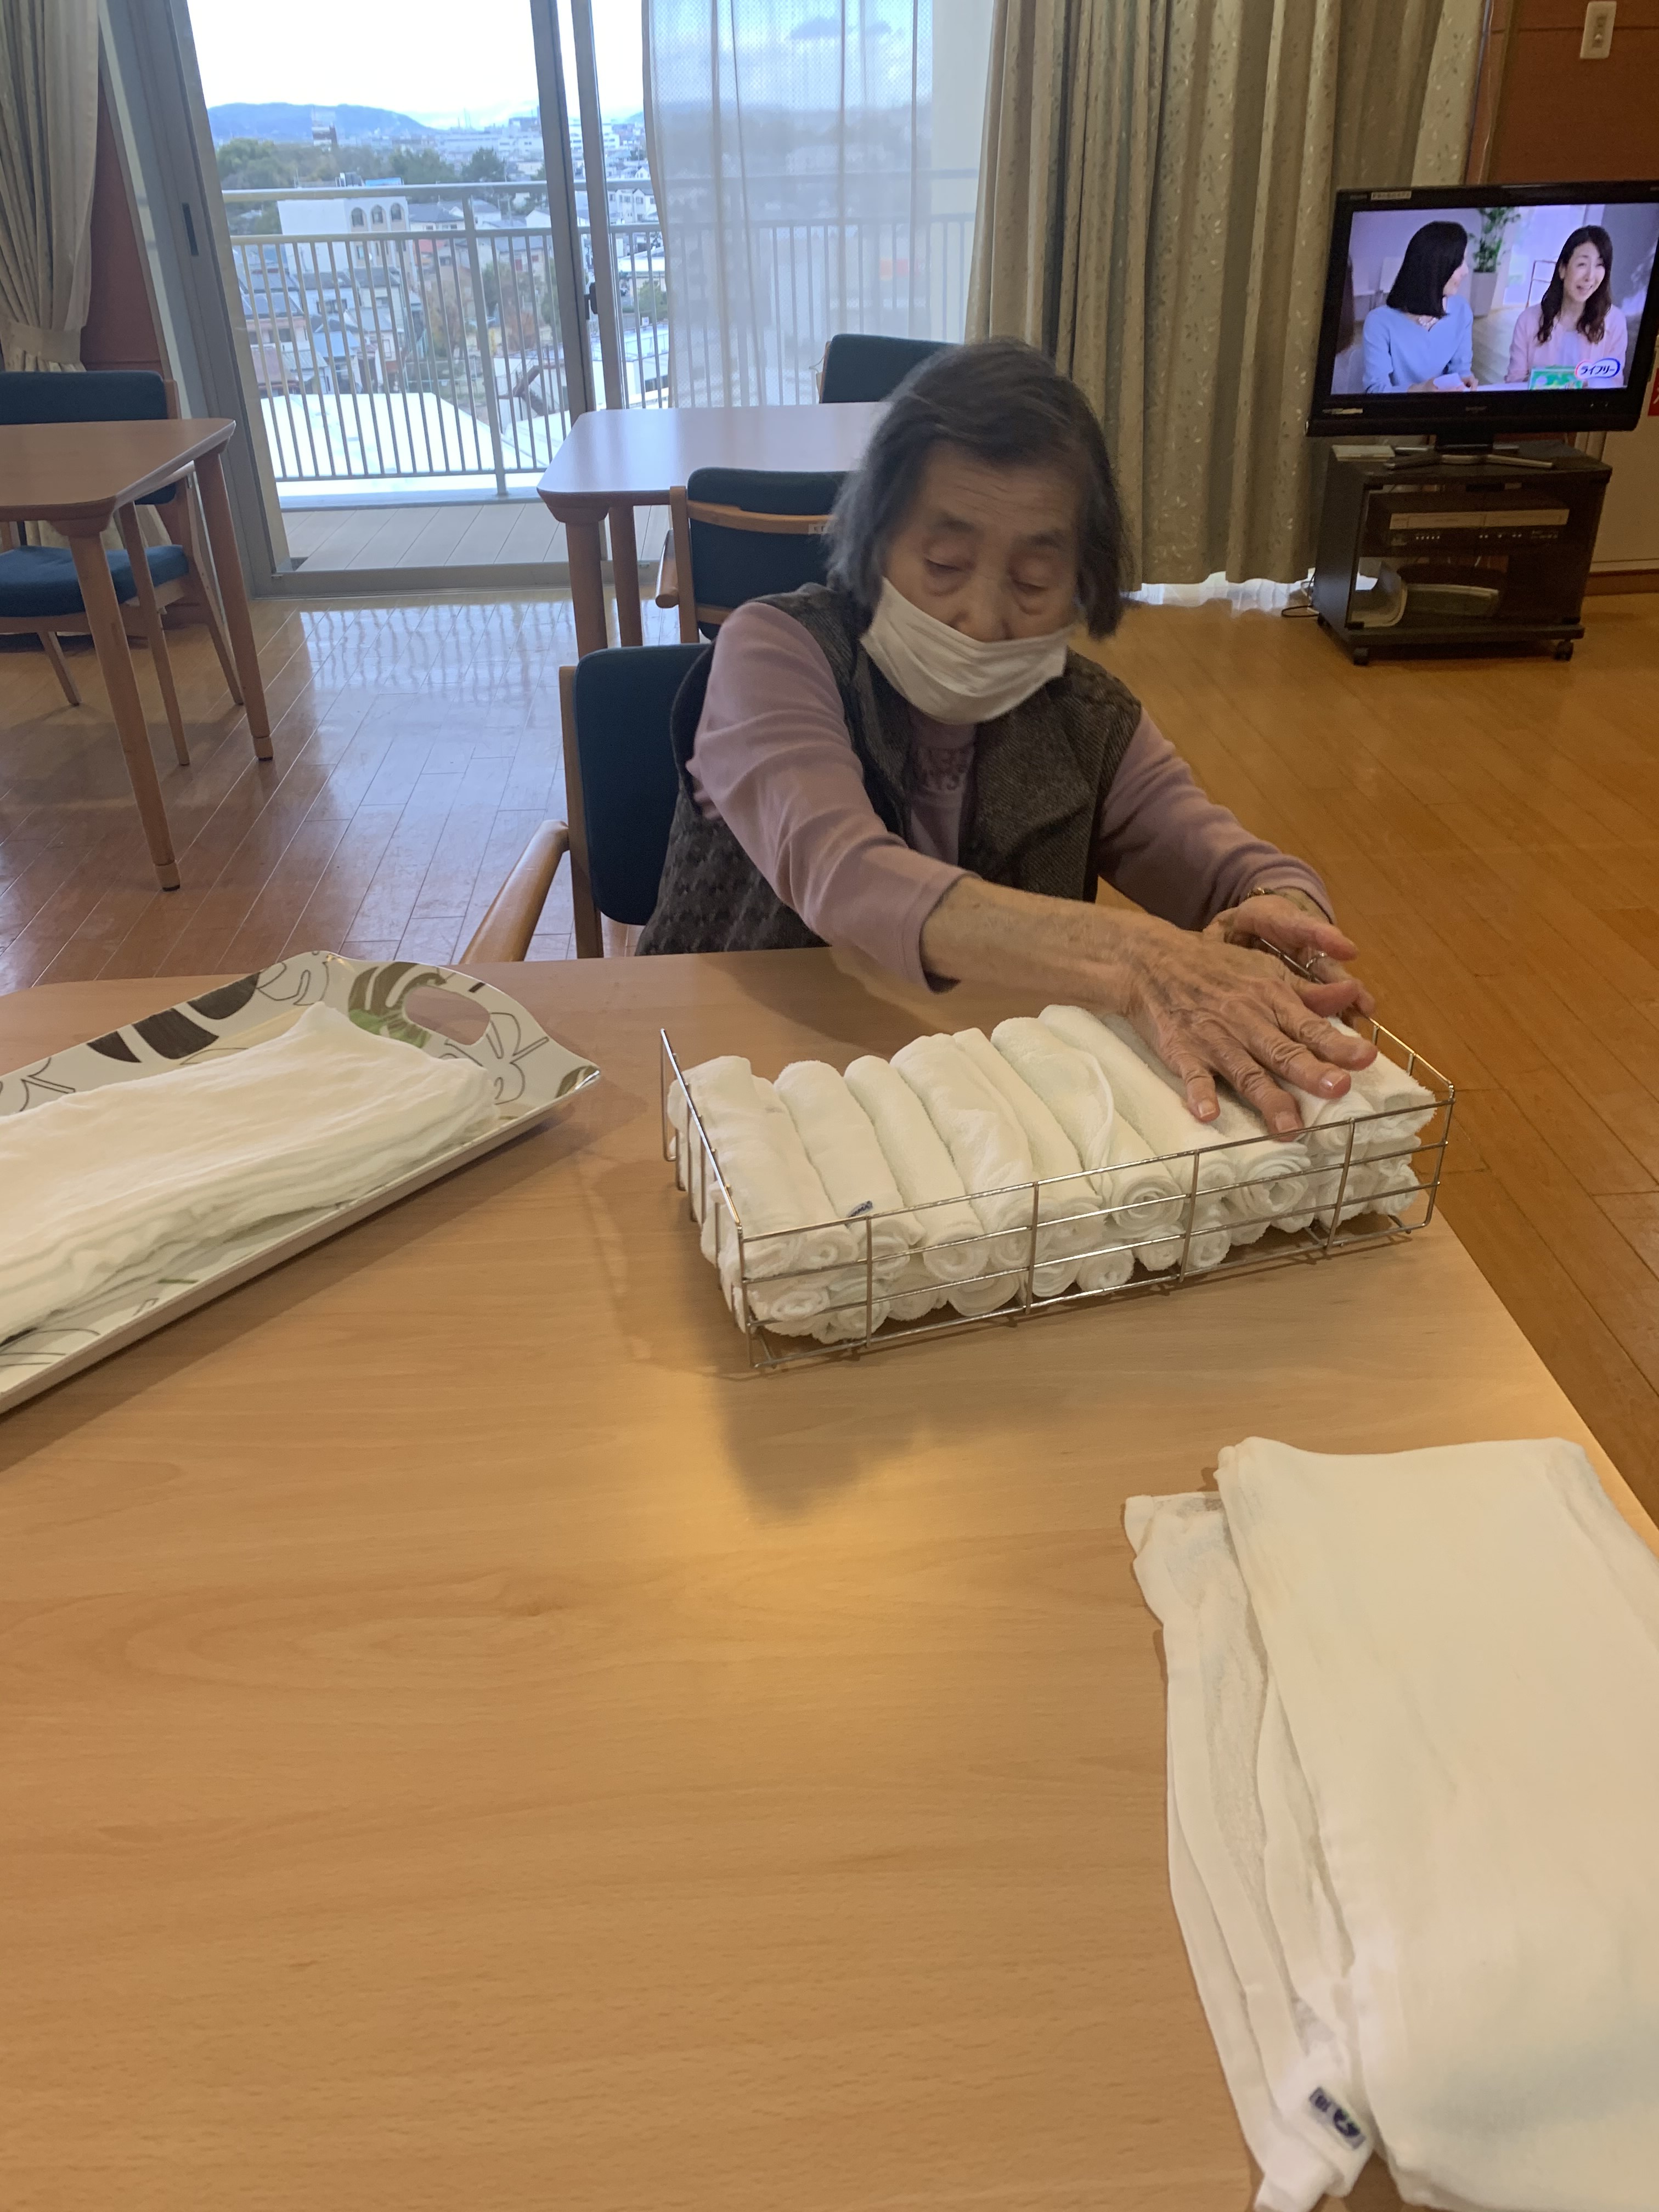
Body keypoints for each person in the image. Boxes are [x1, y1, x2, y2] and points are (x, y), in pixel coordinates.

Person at [636, 341, 1377, 1137]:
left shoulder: (1087, 718)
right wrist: (1134, 954)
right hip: (730, 1090)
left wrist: (1280, 919)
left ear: (1081, 586)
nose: (983, 619)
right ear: (877, 543)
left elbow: (1237, 868)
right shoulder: (777, 652)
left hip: (984, 1109)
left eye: (1032, 583)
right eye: (944, 563)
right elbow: (844, 873)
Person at [1506, 224, 1628, 388]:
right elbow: (1513, 384)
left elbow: (1614, 384)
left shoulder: (1615, 322)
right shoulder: (1528, 320)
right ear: (1563, 269)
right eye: (1582, 264)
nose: (1590, 277)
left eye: (1600, 265)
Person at [1361, 221, 1476, 393]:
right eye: (1460, 262)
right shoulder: (1379, 322)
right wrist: (1421, 390)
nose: (1466, 271)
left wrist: (1464, 380)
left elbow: (1461, 371)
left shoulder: (1462, 311)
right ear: (1435, 267)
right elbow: (1375, 390)